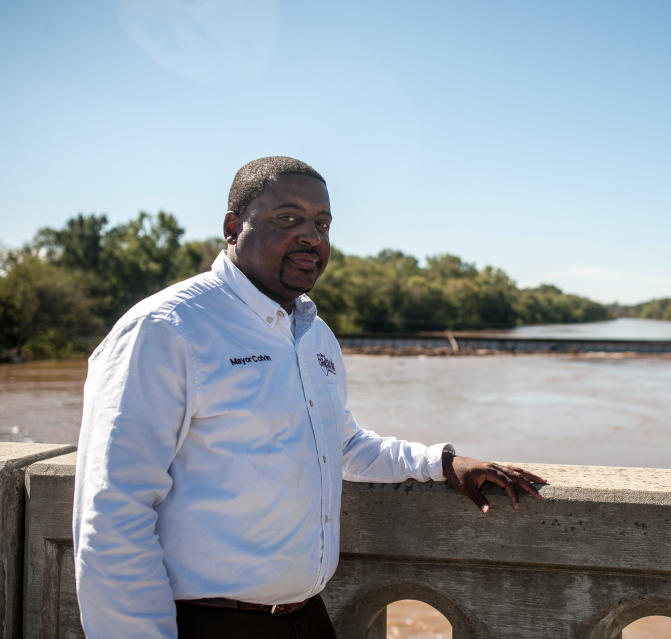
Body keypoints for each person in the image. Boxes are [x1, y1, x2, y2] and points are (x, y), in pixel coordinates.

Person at [72, 156, 546, 639]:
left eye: (322, 223)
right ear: (233, 227)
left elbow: (342, 445)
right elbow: (113, 510)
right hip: (204, 622)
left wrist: (442, 463)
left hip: (307, 618)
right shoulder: (165, 329)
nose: (312, 237)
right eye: (288, 218)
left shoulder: (313, 334)